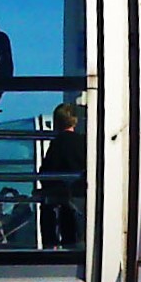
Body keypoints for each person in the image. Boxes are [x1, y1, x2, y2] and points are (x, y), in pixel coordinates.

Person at [39, 102, 85, 248]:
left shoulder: (57, 144)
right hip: (81, 196)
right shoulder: (83, 142)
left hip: (61, 196)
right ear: (75, 121)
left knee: (51, 209)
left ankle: (51, 244)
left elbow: (46, 171)